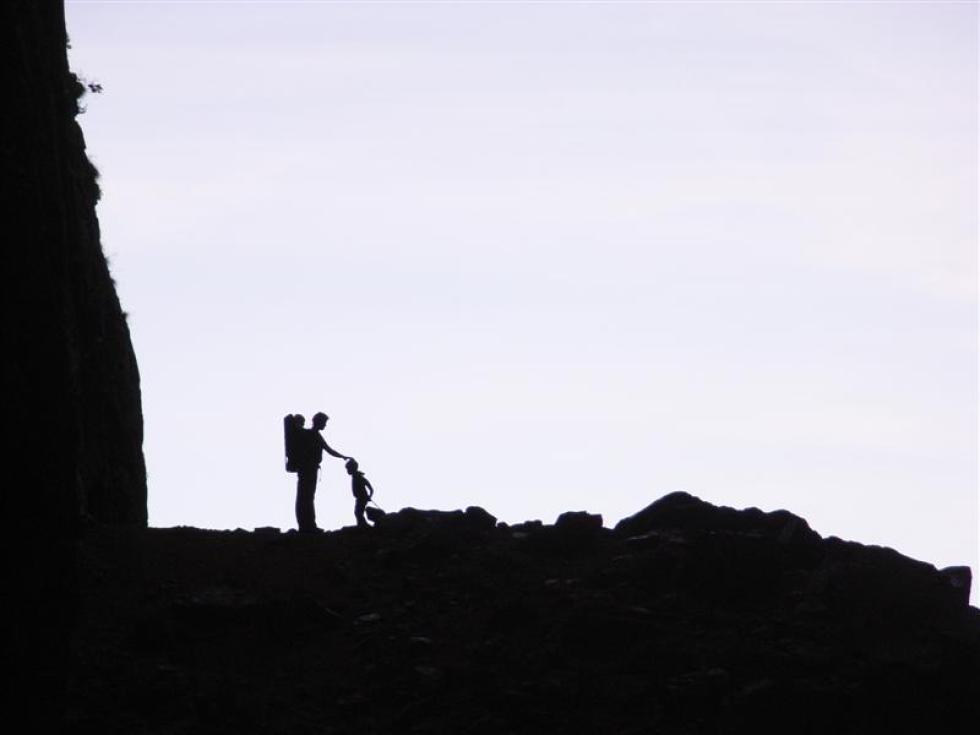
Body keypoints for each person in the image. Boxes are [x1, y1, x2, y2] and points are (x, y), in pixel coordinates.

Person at [294, 411, 349, 533]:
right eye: (324, 422)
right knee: (306, 497)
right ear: (318, 422)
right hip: (308, 470)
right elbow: (329, 450)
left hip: (309, 469)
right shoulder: (311, 434)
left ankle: (308, 525)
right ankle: (307, 526)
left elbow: (329, 450)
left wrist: (342, 457)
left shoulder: (312, 434)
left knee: (306, 497)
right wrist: (343, 457)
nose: (325, 425)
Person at [345, 458, 375, 528]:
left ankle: (363, 526)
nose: (347, 471)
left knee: (358, 513)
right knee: (358, 513)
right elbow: (371, 489)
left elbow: (371, 488)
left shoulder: (359, 477)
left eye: (348, 469)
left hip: (362, 498)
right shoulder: (356, 477)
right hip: (360, 498)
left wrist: (369, 496)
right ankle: (361, 525)